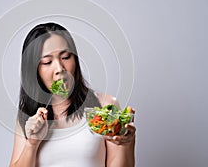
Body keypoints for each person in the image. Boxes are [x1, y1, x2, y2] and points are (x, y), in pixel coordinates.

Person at [10, 22, 136, 167]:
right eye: (47, 61)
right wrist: (31, 144)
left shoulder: (105, 106)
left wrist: (126, 143)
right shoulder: (28, 117)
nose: (59, 68)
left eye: (66, 57)